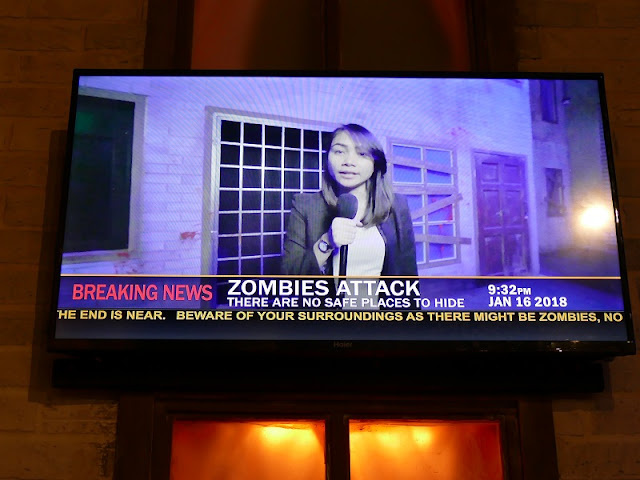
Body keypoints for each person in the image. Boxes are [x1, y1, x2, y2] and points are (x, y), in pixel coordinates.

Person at [281, 123, 418, 277]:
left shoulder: (397, 205)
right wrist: (327, 242)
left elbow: (408, 273)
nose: (348, 161)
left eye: (361, 153)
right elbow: (289, 276)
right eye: (339, 151)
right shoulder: (305, 205)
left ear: (375, 162)